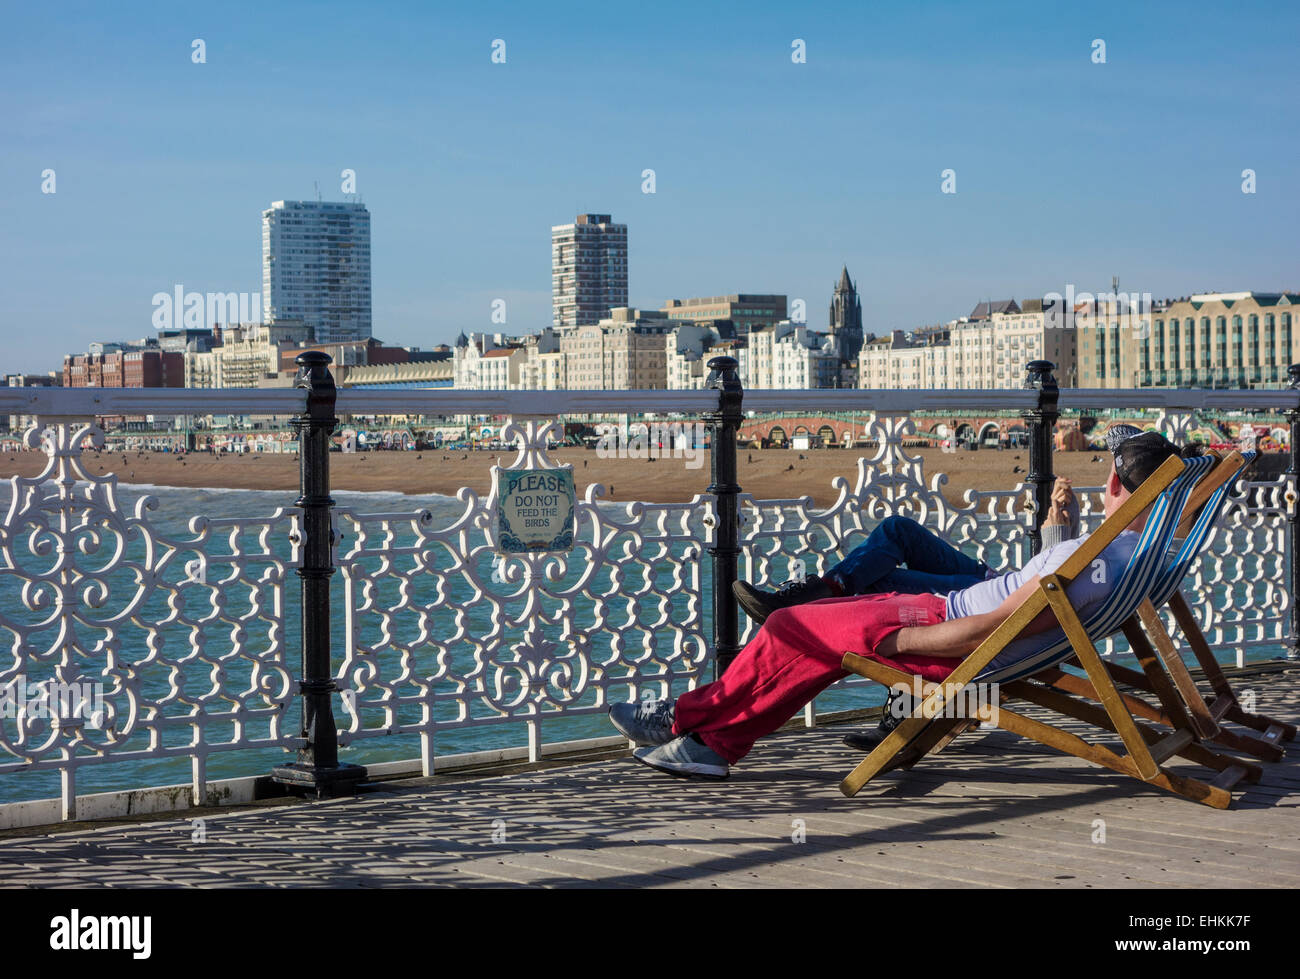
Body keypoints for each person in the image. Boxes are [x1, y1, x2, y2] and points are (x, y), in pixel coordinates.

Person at [608, 429, 1194, 780]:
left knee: (792, 628)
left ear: (1116, 484)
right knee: (809, 637)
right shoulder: (1126, 554)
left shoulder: (1096, 558)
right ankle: (713, 742)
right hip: (952, 615)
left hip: (947, 631)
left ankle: (685, 721)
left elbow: (999, 625)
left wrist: (907, 642)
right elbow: (1027, 611)